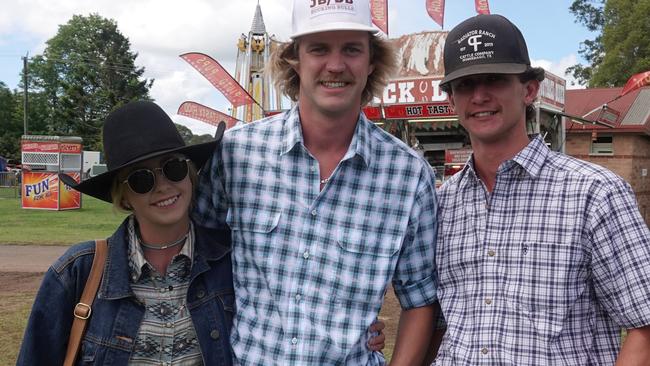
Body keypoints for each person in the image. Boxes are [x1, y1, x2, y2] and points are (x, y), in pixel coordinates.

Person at [193, 0, 438, 364]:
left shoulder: (409, 175)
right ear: (295, 58)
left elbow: (419, 299)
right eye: (319, 48)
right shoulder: (235, 154)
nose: (335, 65)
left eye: (352, 49)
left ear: (371, 61)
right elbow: (198, 255)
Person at [431, 14, 650, 364]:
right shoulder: (441, 205)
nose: (480, 95)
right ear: (451, 101)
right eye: (465, 85)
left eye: (495, 80)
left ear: (529, 89)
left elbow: (645, 325)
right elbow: (437, 322)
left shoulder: (594, 193)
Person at [17, 101, 234, 365]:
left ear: (189, 174)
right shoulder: (76, 272)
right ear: (124, 196)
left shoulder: (229, 262)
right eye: (142, 179)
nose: (163, 186)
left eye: (173, 167)